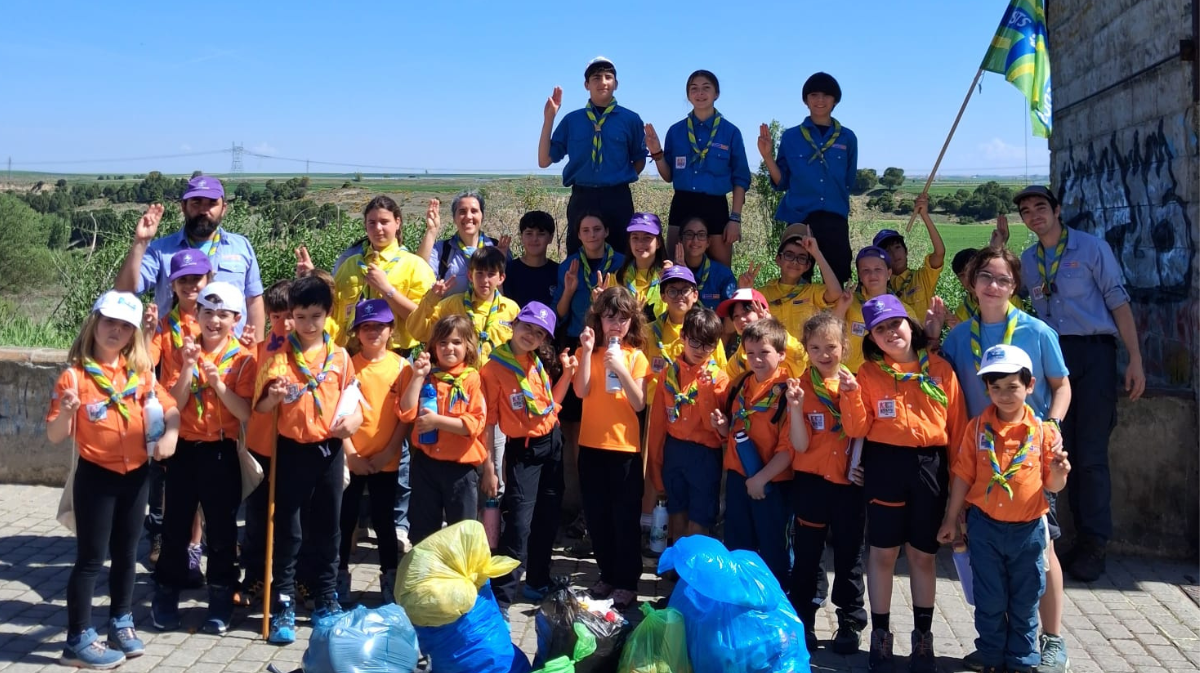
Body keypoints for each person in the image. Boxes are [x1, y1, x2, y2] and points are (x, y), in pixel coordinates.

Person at [938, 244, 1073, 673]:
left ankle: (1051, 641)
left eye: (1003, 279)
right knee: (991, 564)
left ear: (1016, 286)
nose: (993, 286)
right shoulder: (959, 336)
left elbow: (1062, 384)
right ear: (971, 282)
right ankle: (999, 647)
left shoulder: (1037, 331)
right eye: (985, 277)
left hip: (1028, 457)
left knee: (1043, 551)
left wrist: (1051, 423)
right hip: (979, 459)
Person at [1010, 185, 1144, 584]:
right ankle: (1058, 539)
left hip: (1093, 355)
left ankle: (1094, 543)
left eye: (1040, 207)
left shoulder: (1091, 248)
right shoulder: (1030, 260)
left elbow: (1118, 302)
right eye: (1026, 211)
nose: (1034, 215)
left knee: (1089, 453)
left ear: (1057, 210)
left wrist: (1134, 358)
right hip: (1052, 355)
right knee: (1053, 448)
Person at [47, 291, 180, 669]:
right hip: (96, 478)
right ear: (94, 323)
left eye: (125, 326)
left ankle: (121, 621)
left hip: (136, 476)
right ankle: (77, 638)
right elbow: (56, 435)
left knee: (126, 555)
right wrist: (67, 412)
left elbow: (169, 409)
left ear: (134, 333)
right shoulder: (75, 376)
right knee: (91, 559)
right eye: (110, 322)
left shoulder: (140, 373)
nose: (116, 331)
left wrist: (170, 434)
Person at [841, 294, 967, 673]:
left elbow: (957, 431)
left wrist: (958, 502)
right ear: (873, 340)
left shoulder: (941, 370)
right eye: (880, 330)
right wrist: (849, 396)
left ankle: (923, 638)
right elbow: (857, 428)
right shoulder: (868, 374)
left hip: (930, 466)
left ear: (909, 326)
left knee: (922, 555)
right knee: (881, 554)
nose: (889, 333)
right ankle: (880, 636)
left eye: (894, 324)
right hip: (885, 466)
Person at [254, 275, 363, 644]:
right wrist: (274, 396)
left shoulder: (340, 356)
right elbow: (262, 406)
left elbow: (354, 402)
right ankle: (283, 601)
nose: (307, 324)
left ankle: (326, 598)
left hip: (328, 452)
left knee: (329, 528)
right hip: (291, 451)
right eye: (300, 317)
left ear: (327, 315)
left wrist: (354, 422)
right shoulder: (278, 355)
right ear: (291, 317)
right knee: (289, 529)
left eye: (315, 316)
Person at [152, 282, 255, 635]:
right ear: (197, 314)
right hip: (184, 449)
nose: (214, 321)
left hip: (221, 451)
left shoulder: (244, 359)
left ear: (236, 319)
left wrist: (218, 384)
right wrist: (187, 369)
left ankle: (221, 598)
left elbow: (245, 413)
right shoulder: (182, 350)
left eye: (223, 315)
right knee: (175, 527)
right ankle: (165, 594)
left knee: (223, 530)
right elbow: (172, 405)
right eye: (207, 313)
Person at [482, 302, 576, 609]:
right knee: (519, 525)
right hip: (523, 451)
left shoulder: (535, 361)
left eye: (539, 333)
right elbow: (488, 423)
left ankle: (537, 581)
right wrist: (490, 468)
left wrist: (569, 374)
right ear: (514, 324)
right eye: (527, 327)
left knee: (548, 518)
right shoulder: (494, 368)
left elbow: (551, 405)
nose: (531, 336)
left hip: (553, 443)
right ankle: (502, 599)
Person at [788, 312, 868, 655]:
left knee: (850, 554)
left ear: (845, 348)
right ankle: (804, 616)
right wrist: (794, 409)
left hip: (849, 484)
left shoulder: (855, 383)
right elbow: (801, 444)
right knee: (808, 553)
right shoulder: (800, 387)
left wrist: (851, 395)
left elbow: (858, 430)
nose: (824, 354)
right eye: (816, 347)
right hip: (811, 482)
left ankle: (850, 620)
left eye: (831, 346)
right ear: (806, 349)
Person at [572, 287, 650, 609]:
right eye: (609, 317)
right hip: (591, 446)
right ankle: (606, 574)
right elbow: (581, 391)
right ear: (598, 319)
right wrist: (589, 353)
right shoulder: (587, 352)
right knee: (597, 517)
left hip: (624, 451)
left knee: (624, 519)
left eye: (622, 318)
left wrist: (619, 367)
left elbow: (639, 402)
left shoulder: (636, 356)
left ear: (632, 322)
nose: (616, 324)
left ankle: (627, 581)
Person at [115, 175, 265, 340]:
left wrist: (256, 351)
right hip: (173, 356)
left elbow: (254, 301)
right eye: (196, 202)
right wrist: (140, 243)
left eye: (211, 203)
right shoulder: (160, 250)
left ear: (223, 209)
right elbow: (124, 292)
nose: (203, 210)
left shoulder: (241, 246)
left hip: (231, 358)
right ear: (184, 207)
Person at [143, 250, 213, 583]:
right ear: (173, 284)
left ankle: (194, 553)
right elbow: (144, 365)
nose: (190, 286)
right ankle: (177, 556)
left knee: (203, 494)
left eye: (196, 279)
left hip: (210, 420)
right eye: (183, 280)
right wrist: (145, 331)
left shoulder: (215, 320)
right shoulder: (163, 325)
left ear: (208, 279)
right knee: (176, 493)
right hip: (174, 419)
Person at [709, 318, 795, 588]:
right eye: (751, 353)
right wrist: (723, 428)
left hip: (773, 484)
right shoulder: (740, 384)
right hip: (738, 478)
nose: (756, 359)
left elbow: (789, 449)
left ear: (781, 354)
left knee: (773, 551)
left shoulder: (788, 392)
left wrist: (761, 479)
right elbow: (734, 430)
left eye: (765, 353)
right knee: (737, 546)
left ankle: (773, 607)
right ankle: (740, 604)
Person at [337, 300, 409, 605]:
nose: (373, 332)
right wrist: (350, 453)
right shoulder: (346, 365)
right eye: (366, 327)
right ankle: (338, 576)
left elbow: (406, 418)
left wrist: (389, 452)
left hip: (386, 459)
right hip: (352, 457)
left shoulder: (401, 367)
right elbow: (338, 414)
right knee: (345, 519)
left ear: (391, 330)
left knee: (384, 522)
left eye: (379, 326)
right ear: (357, 332)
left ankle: (390, 577)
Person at [539, 57, 647, 255]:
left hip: (618, 197)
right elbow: (544, 160)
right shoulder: (573, 120)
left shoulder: (631, 120)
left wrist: (620, 177)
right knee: (578, 255)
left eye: (608, 77)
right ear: (586, 84)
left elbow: (639, 159)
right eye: (596, 77)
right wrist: (549, 119)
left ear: (616, 83)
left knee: (621, 255)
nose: (603, 82)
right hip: (583, 197)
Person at [397, 315, 490, 544]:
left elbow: (474, 423)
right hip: (426, 465)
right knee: (422, 531)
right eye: (443, 343)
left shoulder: (472, 380)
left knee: (462, 533)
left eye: (456, 342)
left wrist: (437, 422)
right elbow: (406, 411)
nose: (449, 348)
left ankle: (460, 578)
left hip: (460, 469)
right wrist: (418, 376)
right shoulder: (427, 376)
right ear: (433, 347)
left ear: (468, 345)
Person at [757, 73, 857, 283]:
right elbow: (781, 181)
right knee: (797, 278)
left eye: (826, 95)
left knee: (839, 279)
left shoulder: (848, 138)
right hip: (800, 218)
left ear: (835, 100)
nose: (820, 100)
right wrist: (767, 156)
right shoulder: (791, 136)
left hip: (834, 219)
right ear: (806, 100)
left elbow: (848, 180)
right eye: (814, 95)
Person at [645, 69, 751, 266]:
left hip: (715, 206)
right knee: (675, 269)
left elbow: (741, 179)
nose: (700, 93)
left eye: (706, 88)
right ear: (688, 95)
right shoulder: (676, 131)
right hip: (683, 204)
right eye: (694, 89)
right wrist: (657, 153)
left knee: (721, 272)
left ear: (716, 93)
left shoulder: (730, 132)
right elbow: (668, 176)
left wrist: (735, 219)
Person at [646, 307, 729, 543]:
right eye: (694, 341)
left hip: (704, 454)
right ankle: (676, 569)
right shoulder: (668, 375)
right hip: (675, 450)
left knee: (700, 516)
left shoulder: (719, 378)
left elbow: (714, 426)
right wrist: (655, 463)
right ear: (683, 336)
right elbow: (658, 425)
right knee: (676, 510)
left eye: (707, 345)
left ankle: (692, 572)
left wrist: (705, 392)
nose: (700, 350)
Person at [237, 280, 292, 609]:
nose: (283, 324)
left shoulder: (305, 350)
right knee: (257, 518)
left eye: (289, 316)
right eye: (276, 316)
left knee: (291, 520)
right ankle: (254, 576)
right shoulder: (258, 351)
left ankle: (292, 580)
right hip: (261, 446)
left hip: (292, 448)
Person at [332, 195, 435, 354]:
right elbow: (332, 311)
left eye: (384, 222)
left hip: (397, 356)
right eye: (372, 223)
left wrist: (387, 290)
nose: (378, 228)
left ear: (398, 223)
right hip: (352, 355)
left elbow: (423, 322)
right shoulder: (349, 265)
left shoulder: (414, 266)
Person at [408, 246, 519, 365]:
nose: (485, 280)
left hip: (496, 379)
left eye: (491, 274)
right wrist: (430, 300)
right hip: (460, 379)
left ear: (501, 278)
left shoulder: (511, 309)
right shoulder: (452, 305)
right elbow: (417, 331)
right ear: (470, 276)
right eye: (479, 273)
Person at [738, 224, 843, 341]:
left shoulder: (812, 292)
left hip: (803, 358)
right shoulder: (762, 294)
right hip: (773, 357)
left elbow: (836, 293)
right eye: (789, 255)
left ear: (807, 266)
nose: (794, 262)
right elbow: (743, 324)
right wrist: (745, 292)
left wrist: (816, 253)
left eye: (802, 257)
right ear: (778, 259)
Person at [643, 266, 729, 402]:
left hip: (697, 407)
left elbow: (721, 371)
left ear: (695, 295)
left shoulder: (708, 332)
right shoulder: (648, 332)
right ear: (663, 296)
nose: (679, 296)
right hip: (657, 406)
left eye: (685, 290)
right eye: (672, 291)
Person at [844, 247, 919, 373]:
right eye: (865, 270)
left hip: (885, 376)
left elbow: (914, 347)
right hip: (849, 375)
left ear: (889, 273)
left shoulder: (903, 310)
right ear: (859, 276)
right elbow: (831, 334)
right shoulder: (848, 301)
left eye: (878, 269)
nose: (872, 275)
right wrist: (842, 305)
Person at [418, 192, 505, 297]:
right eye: (462, 212)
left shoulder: (498, 248)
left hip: (490, 312)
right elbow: (418, 271)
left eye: (474, 211)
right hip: (449, 312)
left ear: (482, 216)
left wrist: (502, 261)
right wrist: (431, 231)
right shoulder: (443, 250)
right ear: (454, 218)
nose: (468, 216)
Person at [874, 194, 946, 318]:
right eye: (887, 251)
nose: (894, 254)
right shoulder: (878, 286)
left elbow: (939, 253)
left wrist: (924, 215)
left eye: (897, 247)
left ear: (906, 251)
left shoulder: (922, 278)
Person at [718, 288, 810, 380]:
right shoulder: (740, 355)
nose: (741, 319)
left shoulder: (782, 347)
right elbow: (727, 381)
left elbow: (799, 355)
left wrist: (771, 326)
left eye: (746, 312)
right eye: (735, 316)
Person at [608, 212, 669, 320]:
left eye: (647, 238)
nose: (640, 243)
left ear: (658, 242)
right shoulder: (617, 278)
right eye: (635, 238)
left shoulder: (667, 276)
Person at [676, 217, 738, 312]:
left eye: (701, 235)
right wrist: (682, 277)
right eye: (689, 234)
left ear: (708, 242)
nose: (695, 240)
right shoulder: (671, 274)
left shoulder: (723, 275)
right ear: (680, 240)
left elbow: (731, 315)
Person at [505, 211, 560, 309]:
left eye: (541, 234)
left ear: (550, 238)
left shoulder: (559, 271)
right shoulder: (509, 270)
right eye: (529, 233)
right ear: (521, 236)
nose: (534, 239)